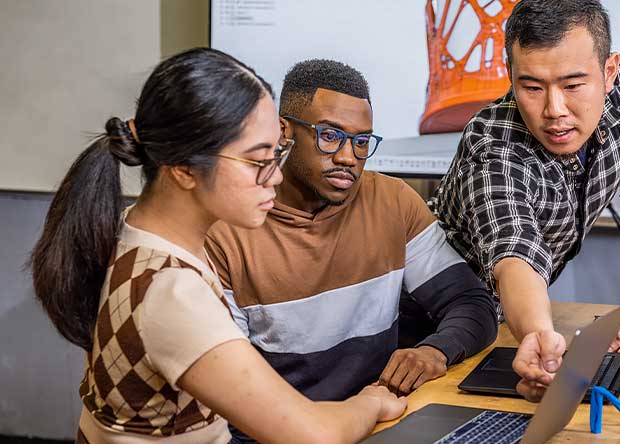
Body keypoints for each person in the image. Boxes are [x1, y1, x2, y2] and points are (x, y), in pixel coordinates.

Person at [30, 48, 405, 444]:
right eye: (257, 159)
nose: (275, 177)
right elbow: (313, 435)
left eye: (277, 154)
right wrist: (375, 402)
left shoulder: (133, 234)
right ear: (184, 168)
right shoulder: (173, 293)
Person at [205, 59, 498, 413]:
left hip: (380, 416)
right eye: (330, 136)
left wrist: (434, 351)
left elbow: (471, 303)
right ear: (282, 131)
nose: (348, 157)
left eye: (362, 141)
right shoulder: (226, 230)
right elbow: (233, 389)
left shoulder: (392, 201)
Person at [431, 0, 620, 402]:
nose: (554, 111)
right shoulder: (493, 144)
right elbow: (515, 256)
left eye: (573, 85)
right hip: (435, 317)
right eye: (531, 87)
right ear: (511, 77)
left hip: (510, 326)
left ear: (609, 71)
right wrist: (536, 333)